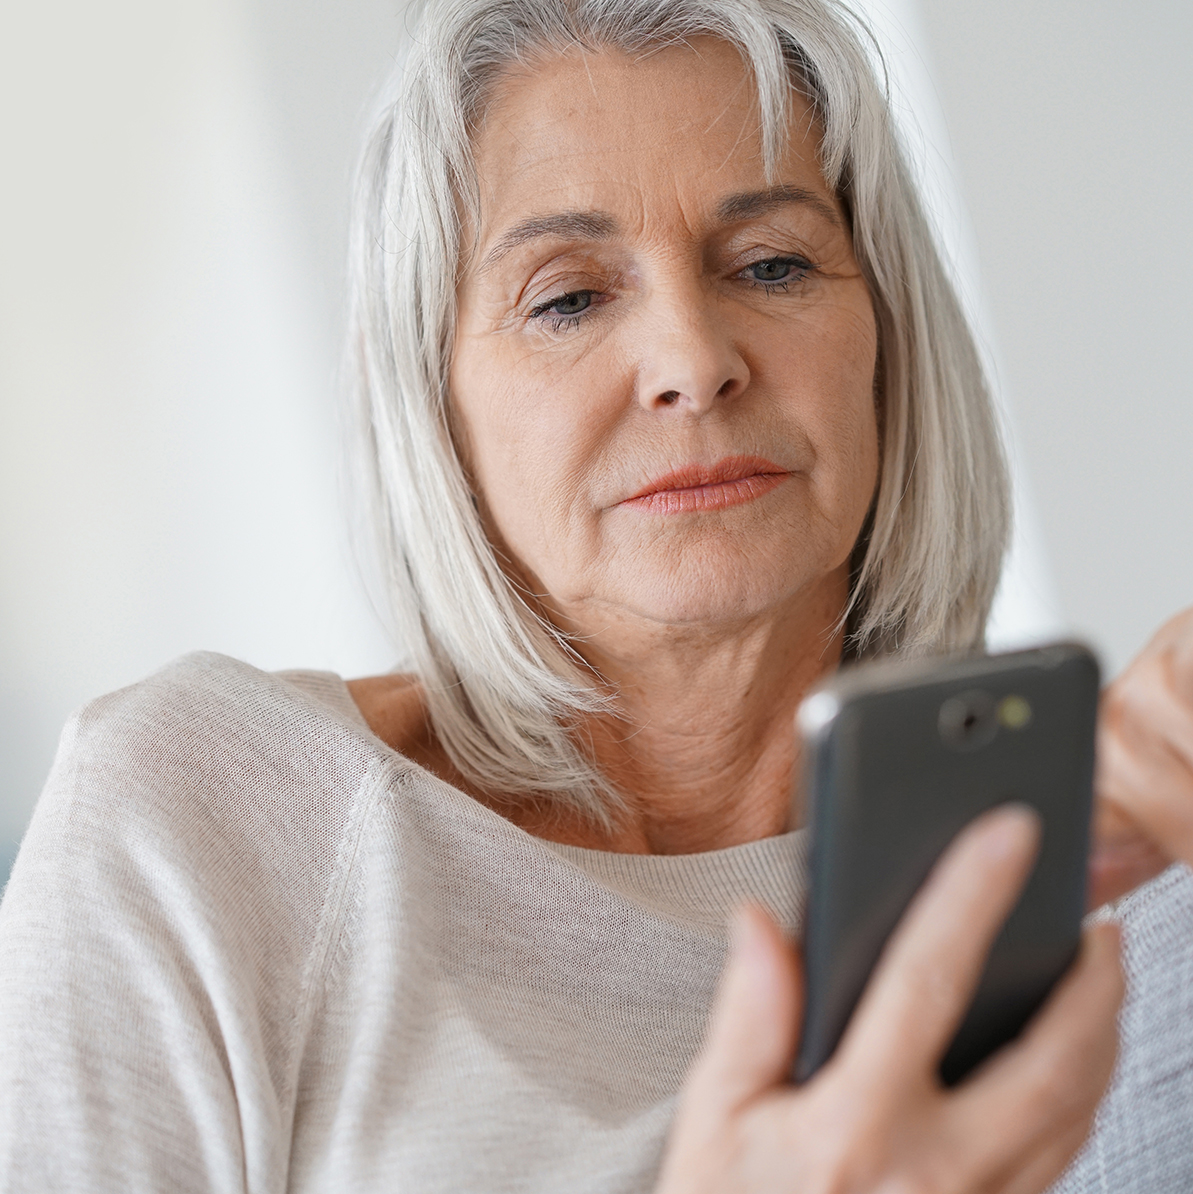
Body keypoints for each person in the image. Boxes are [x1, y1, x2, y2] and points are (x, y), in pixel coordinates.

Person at [1, 0, 1191, 1190]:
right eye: (566, 297)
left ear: (886, 335)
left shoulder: (1124, 871)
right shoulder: (204, 815)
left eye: (771, 263)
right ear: (435, 407)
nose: (690, 360)